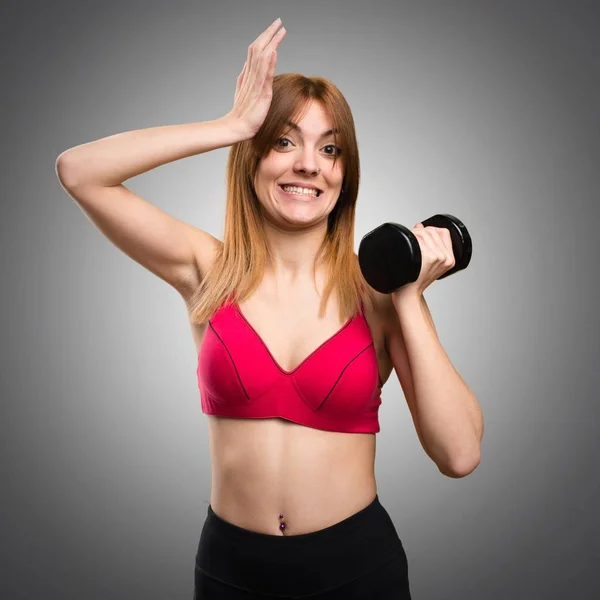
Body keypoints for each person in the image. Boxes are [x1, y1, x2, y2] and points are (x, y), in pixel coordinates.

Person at [56, 17, 483, 600]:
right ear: (251, 157)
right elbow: (80, 172)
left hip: (356, 570)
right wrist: (228, 124)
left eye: (329, 149)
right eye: (284, 141)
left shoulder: (378, 297)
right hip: (231, 570)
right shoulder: (207, 270)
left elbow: (459, 454)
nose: (308, 164)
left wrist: (408, 293)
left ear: (344, 175)